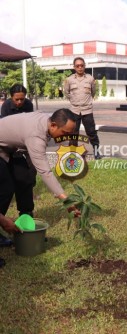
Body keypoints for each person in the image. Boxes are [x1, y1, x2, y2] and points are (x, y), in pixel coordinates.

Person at [0, 108, 80, 267]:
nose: (66, 137)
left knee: (25, 178)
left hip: (11, 149)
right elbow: (45, 171)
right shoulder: (36, 135)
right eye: (64, 132)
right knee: (6, 187)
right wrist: (66, 200)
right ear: (54, 125)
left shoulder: (47, 120)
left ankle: (26, 223)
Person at [0, 84, 36, 247]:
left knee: (26, 180)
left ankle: (26, 214)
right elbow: (9, 130)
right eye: (17, 99)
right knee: (6, 188)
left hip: (22, 148)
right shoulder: (6, 107)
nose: (20, 102)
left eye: (22, 99)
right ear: (11, 97)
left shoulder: (28, 105)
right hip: (7, 150)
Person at [63, 57, 101, 159]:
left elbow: (93, 92)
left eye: (82, 65)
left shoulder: (90, 79)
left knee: (91, 132)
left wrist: (86, 101)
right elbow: (66, 93)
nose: (80, 68)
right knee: (73, 133)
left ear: (84, 66)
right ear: (74, 67)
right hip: (74, 111)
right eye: (77, 66)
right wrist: (74, 101)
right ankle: (72, 152)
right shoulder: (69, 80)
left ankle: (97, 152)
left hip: (87, 110)